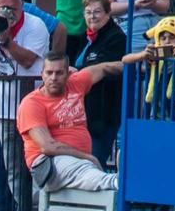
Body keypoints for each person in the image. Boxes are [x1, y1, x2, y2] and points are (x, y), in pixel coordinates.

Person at [16, 51, 122, 194]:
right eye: (49, 73)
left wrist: (138, 63)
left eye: (59, 73)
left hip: (79, 161)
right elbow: (48, 147)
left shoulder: (76, 83)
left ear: (68, 73)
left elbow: (104, 68)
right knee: (81, 168)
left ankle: (115, 181)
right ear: (42, 74)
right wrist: (88, 157)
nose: (54, 78)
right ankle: (115, 181)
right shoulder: (31, 103)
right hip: (47, 163)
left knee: (85, 170)